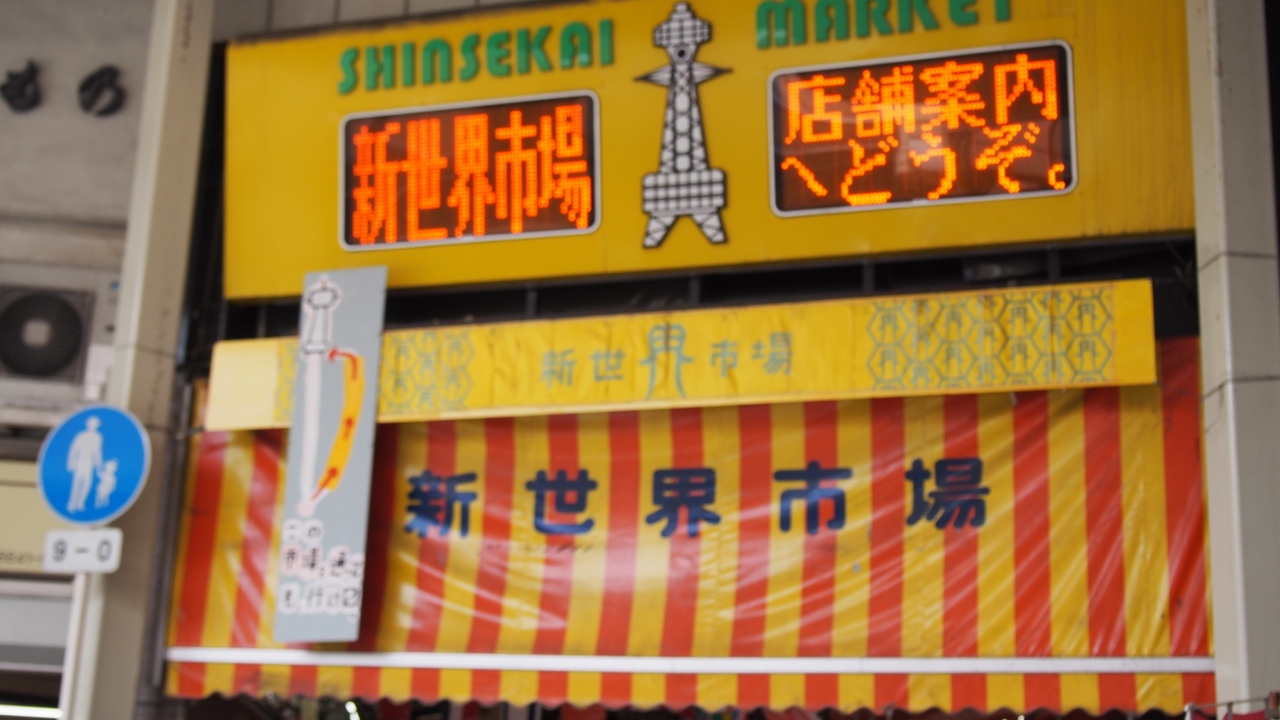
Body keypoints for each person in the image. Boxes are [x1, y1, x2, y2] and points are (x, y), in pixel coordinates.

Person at [66, 416, 103, 513]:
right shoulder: (81, 435)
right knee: (77, 483)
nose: (93, 425)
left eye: (95, 424)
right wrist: (71, 463)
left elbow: (97, 452)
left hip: (89, 464)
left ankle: (80, 503)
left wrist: (99, 466)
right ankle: (72, 504)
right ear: (88, 424)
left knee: (87, 484)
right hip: (80, 462)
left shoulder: (98, 437)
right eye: (91, 423)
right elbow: (74, 449)